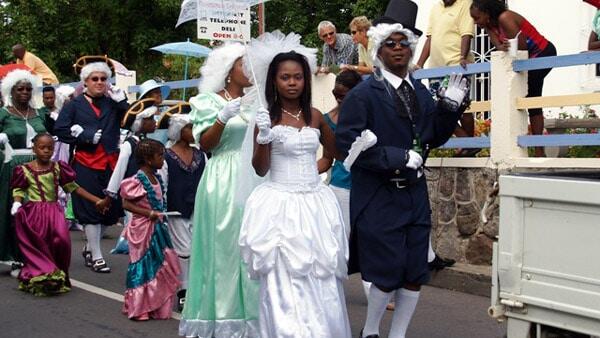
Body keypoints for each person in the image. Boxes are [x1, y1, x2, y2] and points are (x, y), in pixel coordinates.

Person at [335, 0, 471, 337]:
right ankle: (370, 331)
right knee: (386, 271)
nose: (399, 49)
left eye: (405, 43)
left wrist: (450, 110)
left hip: (414, 195)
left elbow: (432, 138)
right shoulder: (363, 95)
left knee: (415, 269)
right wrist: (394, 157)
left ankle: (398, 334)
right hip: (379, 197)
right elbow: (345, 147)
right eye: (391, 43)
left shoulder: (420, 92)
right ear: (379, 49)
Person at [240, 31, 351, 338]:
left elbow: (335, 153)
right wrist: (263, 137)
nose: (292, 82)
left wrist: (355, 146)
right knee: (283, 274)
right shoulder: (267, 118)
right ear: (274, 81)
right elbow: (260, 168)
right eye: (285, 77)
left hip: (314, 203)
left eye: (298, 77)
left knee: (320, 274)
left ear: (305, 80)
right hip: (279, 204)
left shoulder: (315, 116)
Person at [179, 43, 260, 338]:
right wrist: (222, 117)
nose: (250, 69)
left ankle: (254, 317)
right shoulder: (207, 101)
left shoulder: (258, 101)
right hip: (224, 177)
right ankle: (224, 317)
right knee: (225, 248)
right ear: (228, 71)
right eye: (243, 64)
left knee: (254, 247)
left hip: (255, 175)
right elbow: (205, 145)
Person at [54, 62, 129, 273]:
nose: (99, 83)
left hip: (111, 162)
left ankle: (90, 247)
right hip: (86, 163)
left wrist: (123, 103)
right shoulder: (74, 105)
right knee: (90, 209)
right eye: (94, 79)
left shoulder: (112, 103)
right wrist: (84, 136)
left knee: (112, 210)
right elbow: (60, 129)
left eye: (103, 79)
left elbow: (129, 123)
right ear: (85, 82)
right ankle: (97, 255)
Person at [10, 133, 105, 296]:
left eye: (50, 148)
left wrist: (96, 200)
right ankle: (42, 274)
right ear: (34, 148)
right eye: (42, 148)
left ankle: (57, 273)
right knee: (39, 244)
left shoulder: (58, 167)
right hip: (35, 212)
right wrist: (17, 202)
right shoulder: (24, 169)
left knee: (61, 242)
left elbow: (73, 187)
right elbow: (19, 189)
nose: (46, 151)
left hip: (54, 212)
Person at [470, 0, 557, 157]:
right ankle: (538, 150)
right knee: (532, 98)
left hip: (543, 52)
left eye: (477, 18)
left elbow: (521, 47)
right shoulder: (490, 27)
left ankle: (538, 150)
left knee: (532, 97)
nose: (475, 22)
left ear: (487, 13)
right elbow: (500, 48)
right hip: (527, 59)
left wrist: (509, 47)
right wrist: (503, 46)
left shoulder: (505, 18)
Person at [120, 138, 181, 321]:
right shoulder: (137, 180)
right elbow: (127, 204)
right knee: (142, 266)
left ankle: (156, 305)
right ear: (148, 159)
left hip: (158, 228)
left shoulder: (157, 177)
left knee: (159, 264)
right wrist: (148, 213)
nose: (163, 159)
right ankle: (139, 307)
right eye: (160, 156)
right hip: (143, 229)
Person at [0, 69, 48, 275]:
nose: (25, 92)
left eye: (29, 88)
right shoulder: (4, 113)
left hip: (38, 166)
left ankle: (35, 255)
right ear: (11, 91)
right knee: (16, 211)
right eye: (20, 89)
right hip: (14, 166)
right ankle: (16, 257)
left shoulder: (39, 113)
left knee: (37, 213)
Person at [417, 0, 478, 158]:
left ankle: (468, 145)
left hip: (456, 65)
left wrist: (462, 57)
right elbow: (430, 39)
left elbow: (467, 34)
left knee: (460, 106)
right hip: (435, 68)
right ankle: (468, 144)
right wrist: (420, 63)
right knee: (437, 108)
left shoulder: (465, 4)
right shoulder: (435, 8)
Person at [159, 114, 206, 311]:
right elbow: (163, 184)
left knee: (197, 248)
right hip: (175, 209)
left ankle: (196, 288)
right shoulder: (166, 156)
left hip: (198, 207)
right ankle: (183, 291)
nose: (194, 131)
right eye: (189, 127)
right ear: (179, 131)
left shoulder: (201, 155)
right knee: (183, 249)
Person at [104, 103, 159, 254]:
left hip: (151, 195)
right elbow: (120, 168)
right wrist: (111, 193)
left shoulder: (150, 144)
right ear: (140, 122)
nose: (155, 122)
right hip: (134, 195)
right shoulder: (130, 144)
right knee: (136, 228)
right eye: (150, 118)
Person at [137, 79, 171, 144]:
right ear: (147, 96)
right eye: (156, 92)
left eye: (160, 92)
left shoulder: (167, 110)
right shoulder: (142, 114)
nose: (160, 94)